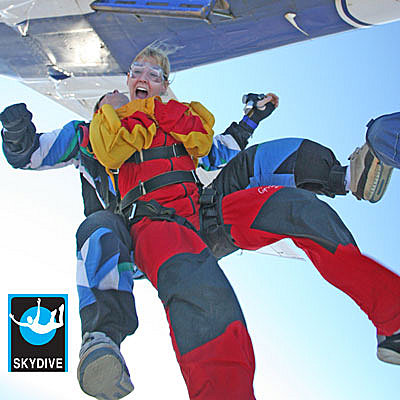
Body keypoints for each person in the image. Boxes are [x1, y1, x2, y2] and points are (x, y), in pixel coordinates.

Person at [87, 45, 400, 400]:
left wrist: (254, 116)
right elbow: (110, 148)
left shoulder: (176, 115)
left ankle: (394, 317)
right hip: (154, 223)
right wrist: (112, 109)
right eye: (137, 71)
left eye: (154, 75)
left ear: (164, 84)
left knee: (295, 207)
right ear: (127, 79)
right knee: (204, 291)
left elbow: (210, 145)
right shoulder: (109, 117)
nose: (143, 78)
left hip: (204, 212)